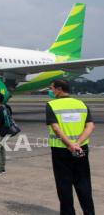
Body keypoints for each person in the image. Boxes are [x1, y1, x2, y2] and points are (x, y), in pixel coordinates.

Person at [46, 79, 95, 214]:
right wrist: (77, 144)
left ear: (59, 89)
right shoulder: (81, 104)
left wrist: (70, 145)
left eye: (52, 88)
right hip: (81, 149)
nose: (51, 91)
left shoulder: (51, 105)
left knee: (64, 185)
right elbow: (90, 126)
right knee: (84, 183)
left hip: (61, 151)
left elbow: (56, 128)